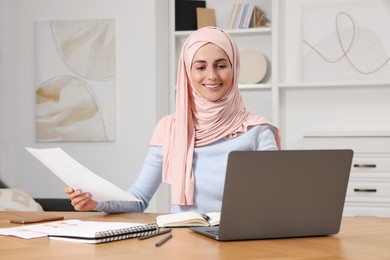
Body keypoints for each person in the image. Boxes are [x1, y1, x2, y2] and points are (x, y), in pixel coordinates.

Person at [65, 26, 281, 214]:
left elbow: (275, 199)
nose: (212, 76)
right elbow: (139, 198)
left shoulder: (258, 131)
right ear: (187, 72)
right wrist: (97, 203)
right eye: (200, 67)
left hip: (236, 239)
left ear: (234, 68)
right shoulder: (170, 128)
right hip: (181, 239)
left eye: (221, 65)